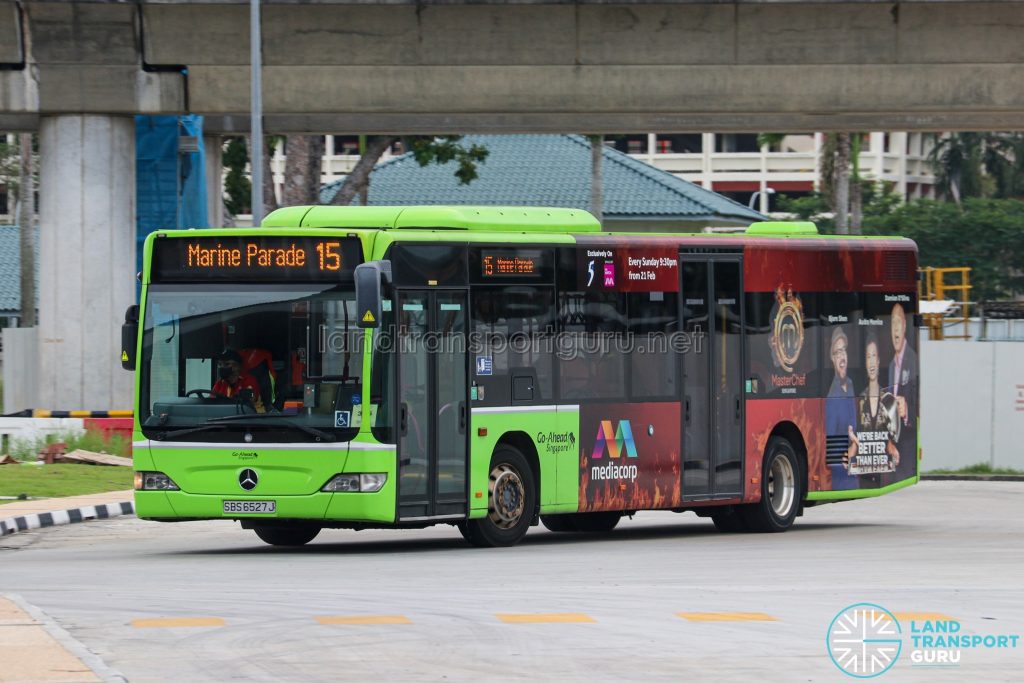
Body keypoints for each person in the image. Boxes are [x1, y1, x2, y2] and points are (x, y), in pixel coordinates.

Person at [849, 333, 899, 481]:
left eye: (873, 356)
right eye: (867, 357)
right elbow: (854, 440)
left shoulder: (889, 400)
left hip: (884, 475)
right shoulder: (858, 400)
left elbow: (892, 442)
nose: (871, 362)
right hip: (862, 473)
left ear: (878, 361)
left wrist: (892, 448)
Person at [825, 326, 858, 490]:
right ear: (833, 359)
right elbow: (830, 442)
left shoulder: (852, 385)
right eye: (837, 353)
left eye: (843, 351)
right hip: (842, 476)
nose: (842, 356)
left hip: (855, 472)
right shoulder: (832, 397)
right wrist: (844, 456)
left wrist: (855, 445)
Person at [888, 302, 917, 424]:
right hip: (894, 440)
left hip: (909, 441)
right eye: (893, 323)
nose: (895, 327)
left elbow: (924, 403)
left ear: (904, 326)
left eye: (898, 322)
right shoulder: (891, 366)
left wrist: (907, 411)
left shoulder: (914, 359)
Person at [212, 348, 265, 412]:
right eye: (219, 364)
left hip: (251, 418)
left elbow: (248, 403)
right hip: (227, 418)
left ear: (237, 366)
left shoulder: (249, 380)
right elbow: (211, 401)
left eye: (227, 364)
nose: (222, 367)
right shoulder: (220, 383)